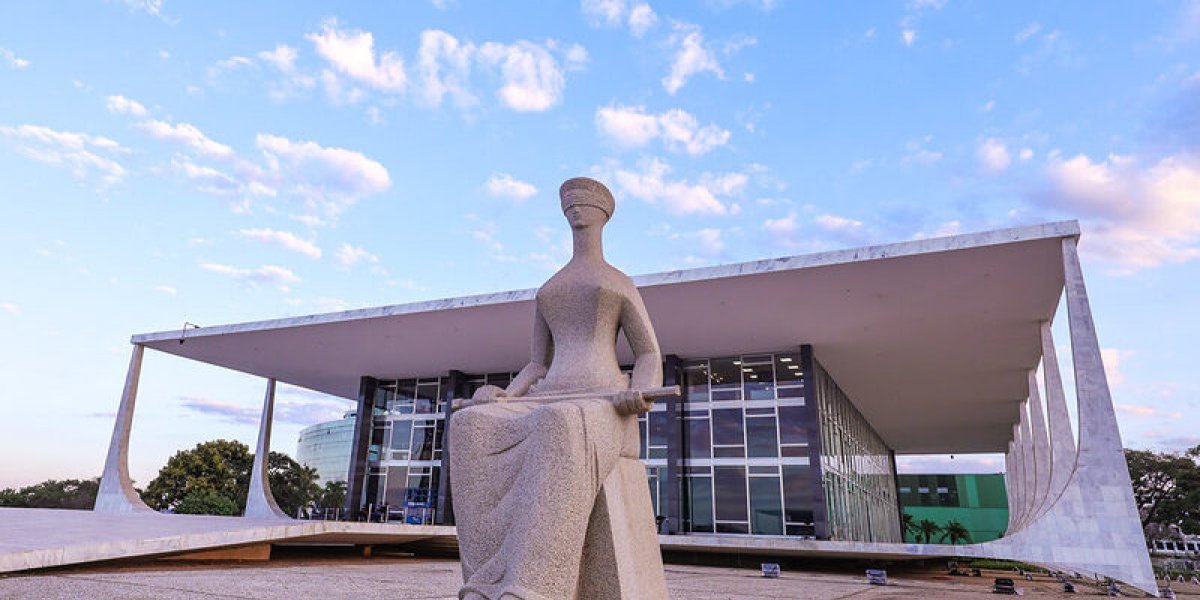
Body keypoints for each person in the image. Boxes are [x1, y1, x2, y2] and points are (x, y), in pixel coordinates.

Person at [449, 177, 665, 600]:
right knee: (469, 426)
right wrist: (507, 395)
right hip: (549, 395)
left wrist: (638, 392)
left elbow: (649, 353)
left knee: (559, 423)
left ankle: (532, 586)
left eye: (584, 202)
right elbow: (536, 363)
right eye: (569, 202)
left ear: (604, 213)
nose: (576, 209)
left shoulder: (618, 283)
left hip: (605, 404)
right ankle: (484, 581)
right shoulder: (550, 289)